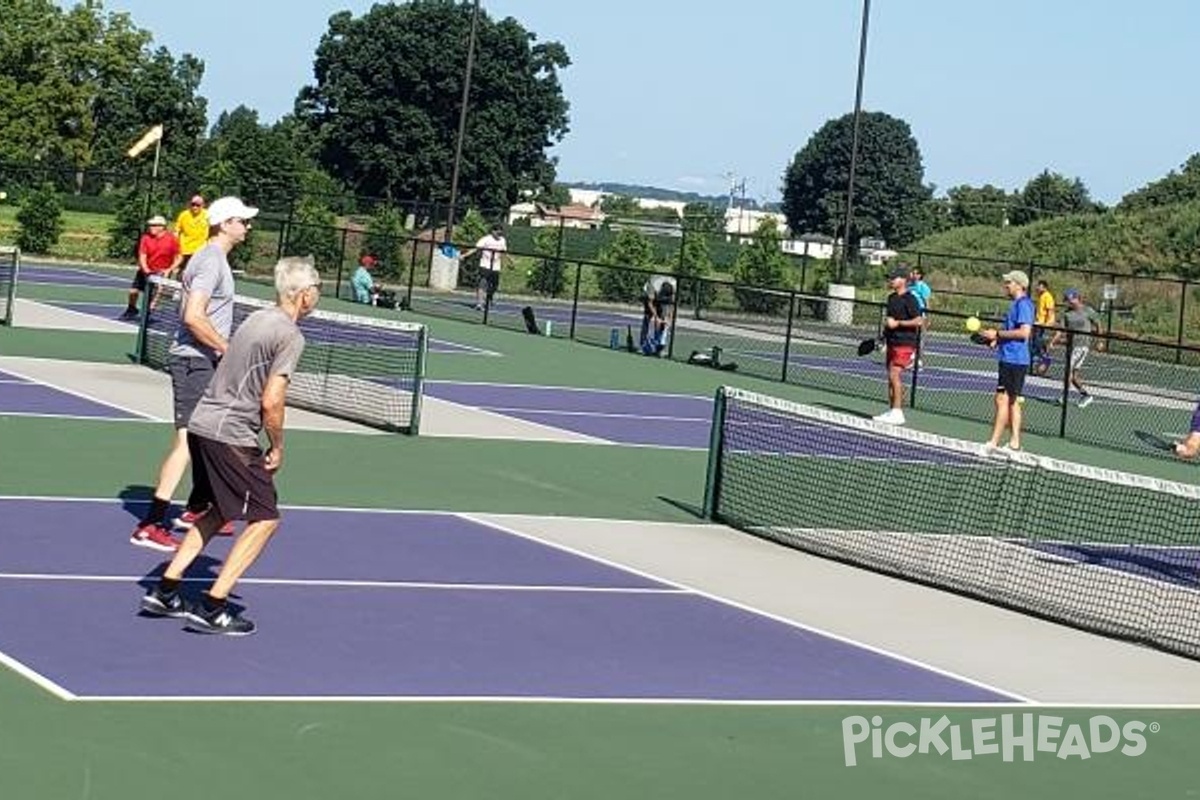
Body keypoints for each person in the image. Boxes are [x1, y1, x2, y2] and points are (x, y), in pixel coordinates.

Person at [139, 257, 319, 635]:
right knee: (266, 518)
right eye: (315, 289)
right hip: (230, 433)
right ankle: (214, 605)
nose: (316, 296)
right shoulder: (290, 335)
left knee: (220, 510)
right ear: (303, 295)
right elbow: (273, 399)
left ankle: (166, 591)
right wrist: (278, 446)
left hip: (203, 425)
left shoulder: (255, 318)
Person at [130, 196, 258, 551]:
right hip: (193, 360)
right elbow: (193, 316)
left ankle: (197, 507)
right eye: (242, 221)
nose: (247, 226)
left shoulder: (214, 260)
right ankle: (151, 523)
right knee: (188, 439)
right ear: (225, 223)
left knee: (206, 436)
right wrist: (227, 349)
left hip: (202, 359)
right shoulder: (210, 261)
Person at [980, 269, 1035, 452]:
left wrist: (997, 333)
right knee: (1009, 400)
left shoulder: (1024, 305)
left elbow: (1024, 333)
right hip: (1008, 358)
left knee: (1004, 399)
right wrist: (997, 340)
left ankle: (994, 443)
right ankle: (1014, 443)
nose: (1006, 285)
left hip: (1016, 360)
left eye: (1009, 282)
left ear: (1019, 285)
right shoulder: (1016, 305)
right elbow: (1012, 332)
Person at [874, 265, 923, 425]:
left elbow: (919, 320)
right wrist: (883, 338)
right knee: (890, 377)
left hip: (906, 342)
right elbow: (889, 322)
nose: (890, 280)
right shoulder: (891, 298)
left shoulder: (910, 299)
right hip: (892, 342)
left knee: (894, 374)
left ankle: (897, 412)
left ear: (903, 280)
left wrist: (899, 323)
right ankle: (892, 410)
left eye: (893, 278)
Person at [1049, 288, 1102, 408]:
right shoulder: (1067, 314)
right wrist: (1052, 342)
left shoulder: (1088, 311)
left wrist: (1100, 341)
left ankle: (1064, 397)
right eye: (1066, 300)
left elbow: (1098, 324)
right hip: (1071, 347)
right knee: (1073, 377)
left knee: (1068, 372)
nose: (1067, 302)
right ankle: (1086, 395)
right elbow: (1060, 331)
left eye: (1069, 299)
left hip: (1081, 346)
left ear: (1076, 298)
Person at [120, 215, 181, 320]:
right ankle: (131, 309)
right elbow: (142, 255)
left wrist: (169, 269)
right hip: (147, 270)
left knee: (157, 292)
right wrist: (146, 270)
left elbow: (179, 257)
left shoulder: (172, 239)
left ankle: (149, 312)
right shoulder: (145, 238)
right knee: (133, 291)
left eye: (153, 225)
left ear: (161, 227)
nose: (150, 227)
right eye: (150, 225)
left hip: (162, 271)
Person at [461, 225, 508, 310]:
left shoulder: (502, 240)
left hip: (496, 267)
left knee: (494, 286)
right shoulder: (485, 239)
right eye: (497, 231)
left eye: (500, 231)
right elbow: (476, 249)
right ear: (492, 231)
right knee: (482, 283)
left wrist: (510, 262)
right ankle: (479, 304)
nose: (499, 233)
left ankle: (489, 298)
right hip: (485, 265)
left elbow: (504, 253)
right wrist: (464, 255)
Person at [639, 275, 676, 355]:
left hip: (661, 294)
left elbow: (672, 305)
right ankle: (643, 344)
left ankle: (658, 345)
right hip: (650, 295)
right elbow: (650, 303)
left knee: (663, 319)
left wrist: (669, 319)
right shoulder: (652, 286)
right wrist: (656, 317)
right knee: (647, 317)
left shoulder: (674, 284)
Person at [172, 195, 209, 272]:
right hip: (185, 249)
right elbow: (176, 231)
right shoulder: (183, 215)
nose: (195, 207)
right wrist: (175, 247)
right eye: (193, 204)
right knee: (182, 272)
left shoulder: (208, 215)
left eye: (198, 205)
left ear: (203, 205)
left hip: (200, 250)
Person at [1031, 279, 1057, 375]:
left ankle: (1045, 355)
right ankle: (1038, 361)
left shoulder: (1047, 296)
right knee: (1034, 343)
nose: (1038, 287)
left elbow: (1050, 311)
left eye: (1040, 286)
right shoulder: (1041, 296)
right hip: (1038, 322)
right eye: (1038, 286)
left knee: (1038, 341)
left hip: (1042, 324)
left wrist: (1048, 322)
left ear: (1044, 287)